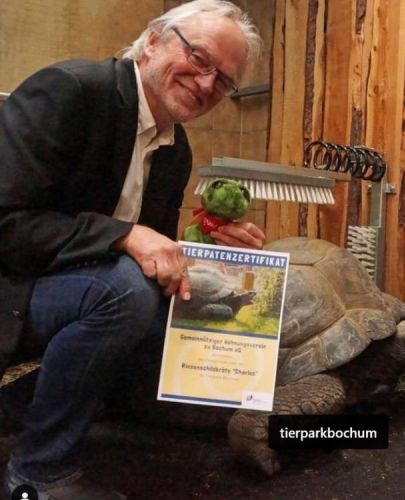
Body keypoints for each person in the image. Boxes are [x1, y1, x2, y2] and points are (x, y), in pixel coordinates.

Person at [0, 1, 264, 498]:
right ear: (152, 42)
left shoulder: (175, 147)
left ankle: (25, 403)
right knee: (123, 294)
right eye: (200, 59)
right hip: (14, 285)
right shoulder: (71, 91)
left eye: (224, 81)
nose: (208, 85)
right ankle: (38, 472)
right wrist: (124, 235)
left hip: (78, 288)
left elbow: (151, 260)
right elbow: (8, 223)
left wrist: (210, 250)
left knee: (191, 318)